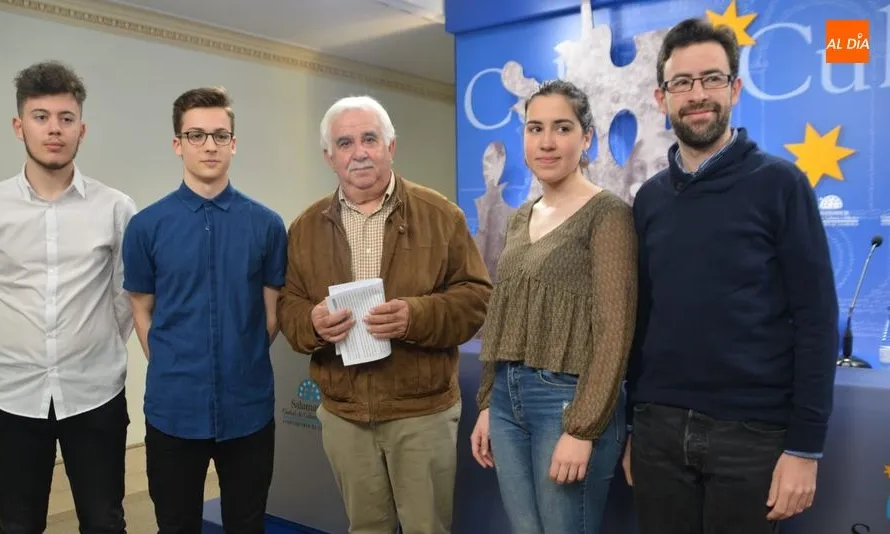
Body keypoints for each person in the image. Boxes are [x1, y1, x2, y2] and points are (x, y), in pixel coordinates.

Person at [622, 18, 838, 534]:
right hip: (659, 431)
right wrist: (634, 424)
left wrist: (805, 448)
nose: (697, 95)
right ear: (661, 97)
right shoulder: (649, 199)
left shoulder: (781, 185)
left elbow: (816, 320)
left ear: (735, 89)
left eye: (712, 79)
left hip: (753, 435)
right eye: (682, 83)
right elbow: (642, 317)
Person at [277, 95, 492, 534]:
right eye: (345, 142)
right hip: (344, 414)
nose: (358, 152)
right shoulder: (304, 228)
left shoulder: (441, 215)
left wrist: (415, 317)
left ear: (390, 146)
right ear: (329, 157)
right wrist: (313, 324)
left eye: (369, 139)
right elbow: (290, 307)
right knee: (366, 528)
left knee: (426, 528)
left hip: (421, 413)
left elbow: (477, 299)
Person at [0, 60, 135, 534]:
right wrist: (16, 350)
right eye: (41, 116)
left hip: (94, 394)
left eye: (65, 118)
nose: (54, 129)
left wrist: (91, 348)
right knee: (17, 524)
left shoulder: (115, 208)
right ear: (20, 126)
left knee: (104, 521)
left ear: (81, 129)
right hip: (12, 397)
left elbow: (123, 299)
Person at [469, 80, 637, 534]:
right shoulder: (522, 216)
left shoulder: (608, 214)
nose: (546, 142)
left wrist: (583, 428)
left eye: (562, 128)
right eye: (534, 128)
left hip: (568, 400)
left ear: (586, 138)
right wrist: (488, 402)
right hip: (507, 398)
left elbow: (614, 330)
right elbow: (504, 315)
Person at [122, 86, 287, 534]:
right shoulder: (146, 227)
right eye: (196, 135)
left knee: (247, 523)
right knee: (175, 524)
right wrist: (175, 363)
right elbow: (142, 311)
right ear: (178, 144)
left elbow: (270, 314)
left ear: (234, 143)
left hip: (248, 407)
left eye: (219, 135)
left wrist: (240, 357)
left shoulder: (267, 225)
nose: (209, 145)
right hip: (174, 409)